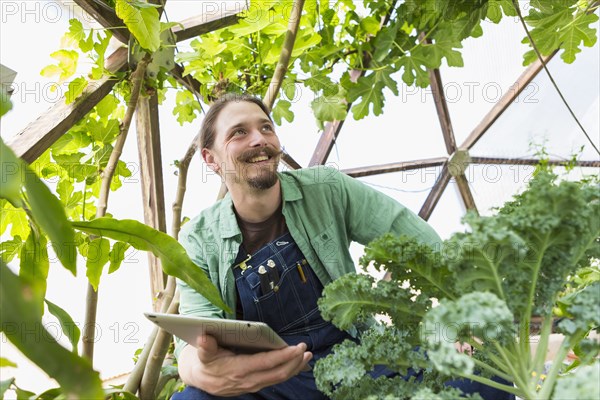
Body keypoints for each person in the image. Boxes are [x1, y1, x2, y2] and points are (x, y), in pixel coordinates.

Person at [173, 93, 514, 400]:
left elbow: (418, 242)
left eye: (266, 128)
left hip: (359, 358)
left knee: (484, 371)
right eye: (239, 132)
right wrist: (198, 371)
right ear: (211, 158)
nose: (259, 139)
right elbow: (195, 332)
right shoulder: (199, 238)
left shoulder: (325, 188)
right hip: (269, 382)